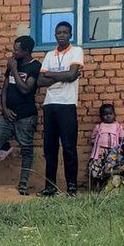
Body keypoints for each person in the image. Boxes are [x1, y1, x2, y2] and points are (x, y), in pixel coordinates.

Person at [0, 36, 41, 195]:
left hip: (25, 117)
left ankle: (23, 184)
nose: (13, 51)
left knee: (26, 150)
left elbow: (26, 89)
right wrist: (4, 109)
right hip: (7, 116)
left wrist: (14, 70)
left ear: (25, 51)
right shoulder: (13, 62)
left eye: (16, 49)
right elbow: (5, 88)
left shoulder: (35, 66)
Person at [38, 21, 83, 196]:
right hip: (50, 105)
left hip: (67, 105)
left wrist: (50, 74)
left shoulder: (76, 51)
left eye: (65, 32)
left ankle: (71, 187)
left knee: (69, 147)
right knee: (50, 148)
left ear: (70, 35)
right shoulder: (49, 55)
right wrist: (62, 76)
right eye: (58, 32)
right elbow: (40, 82)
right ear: (55, 35)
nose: (61, 35)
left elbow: (73, 75)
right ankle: (50, 186)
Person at [88, 103, 124, 190]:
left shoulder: (118, 126)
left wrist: (120, 148)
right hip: (100, 152)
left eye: (110, 114)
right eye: (105, 115)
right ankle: (97, 185)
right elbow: (93, 138)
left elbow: (122, 138)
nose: (108, 116)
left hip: (113, 152)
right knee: (97, 167)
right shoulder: (99, 127)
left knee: (110, 167)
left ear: (114, 115)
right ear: (101, 116)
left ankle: (109, 185)